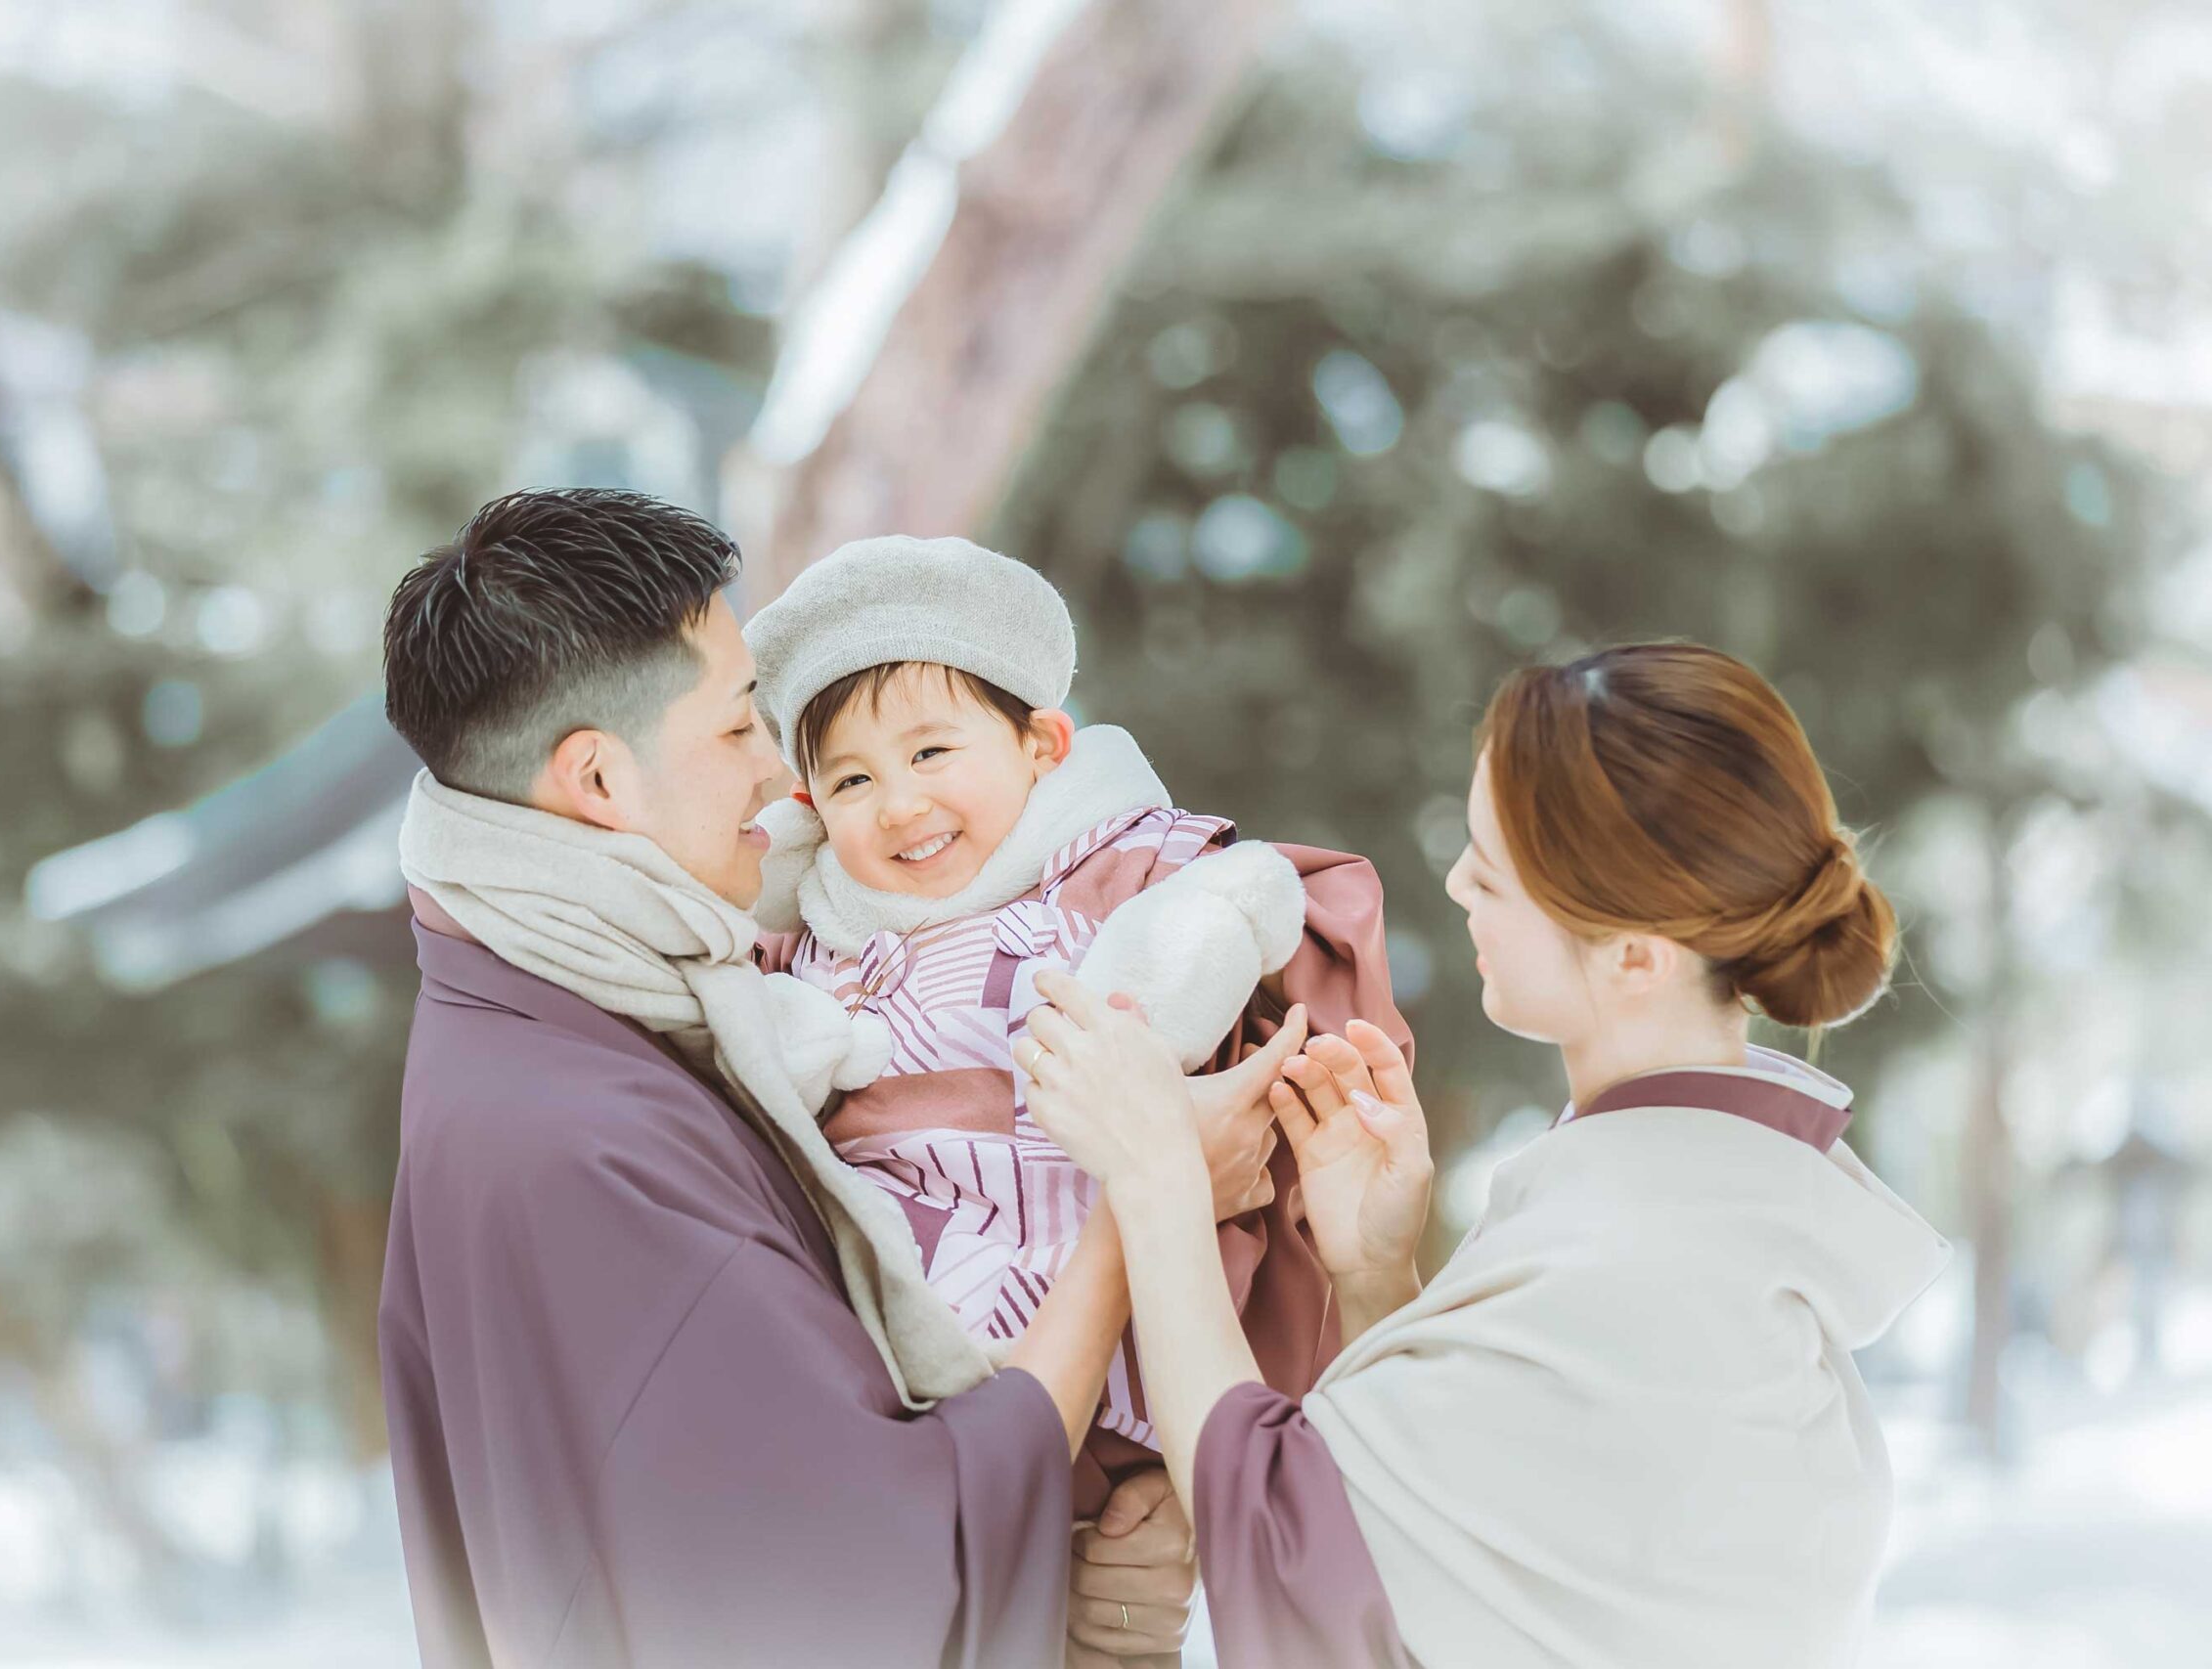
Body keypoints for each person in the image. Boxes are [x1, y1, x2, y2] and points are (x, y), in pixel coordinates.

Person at [374, 489, 1205, 1666]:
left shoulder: (548, 1017)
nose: (781, 773)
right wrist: (1141, 1204)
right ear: (599, 783)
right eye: (735, 729)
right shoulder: (575, 1139)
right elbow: (871, 1578)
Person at [1021, 642, 1953, 1668]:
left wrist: (1154, 1172)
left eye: (1493, 874)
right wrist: (1381, 1280)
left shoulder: (1636, 1264)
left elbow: (1287, 1544)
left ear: (1635, 956)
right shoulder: (1688, 1213)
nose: (1458, 884)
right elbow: (1479, 1554)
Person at [741, 535, 1410, 1529]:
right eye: (849, 784)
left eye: (930, 752)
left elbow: (1203, 940)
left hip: (1089, 1287)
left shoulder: (1106, 877)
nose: (899, 805)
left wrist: (1200, 933)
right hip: (904, 1299)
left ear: (1042, 746)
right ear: (808, 806)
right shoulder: (815, 945)